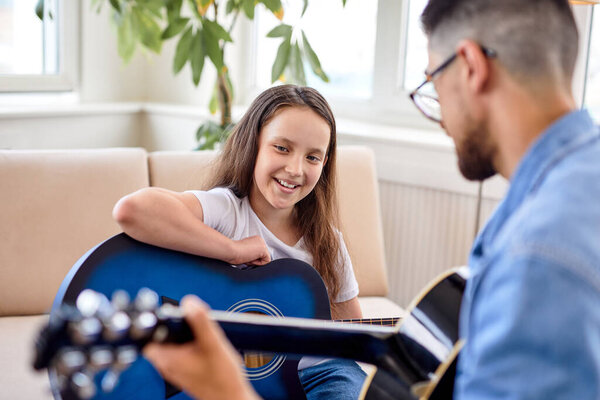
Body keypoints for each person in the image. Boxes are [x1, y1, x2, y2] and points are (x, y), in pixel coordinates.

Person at [146, 0, 600, 398]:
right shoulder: (572, 191)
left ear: (472, 67)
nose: (438, 114)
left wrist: (225, 391)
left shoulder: (538, 254)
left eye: (433, 84)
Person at [113, 84, 367, 399]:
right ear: (254, 144)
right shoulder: (227, 211)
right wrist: (233, 249)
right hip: (238, 378)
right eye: (282, 148)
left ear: (325, 163)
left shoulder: (328, 242)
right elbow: (132, 210)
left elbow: (355, 331)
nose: (295, 169)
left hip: (320, 374)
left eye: (313, 157)